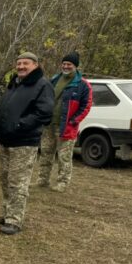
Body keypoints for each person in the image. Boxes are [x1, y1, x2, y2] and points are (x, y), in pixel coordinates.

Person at [0, 52, 54, 235]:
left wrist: (20, 125)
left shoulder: (43, 85)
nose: (21, 67)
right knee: (5, 178)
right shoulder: (15, 83)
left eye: (26, 63)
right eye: (18, 63)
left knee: (18, 182)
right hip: (5, 141)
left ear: (35, 65)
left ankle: (14, 220)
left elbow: (44, 113)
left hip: (24, 142)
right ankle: (6, 213)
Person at [38, 51, 92, 192]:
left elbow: (86, 106)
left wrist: (74, 120)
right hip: (49, 124)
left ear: (75, 66)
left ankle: (62, 182)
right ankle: (42, 180)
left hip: (67, 127)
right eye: (64, 64)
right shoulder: (55, 79)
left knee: (64, 157)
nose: (66, 66)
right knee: (46, 153)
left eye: (69, 64)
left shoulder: (83, 85)